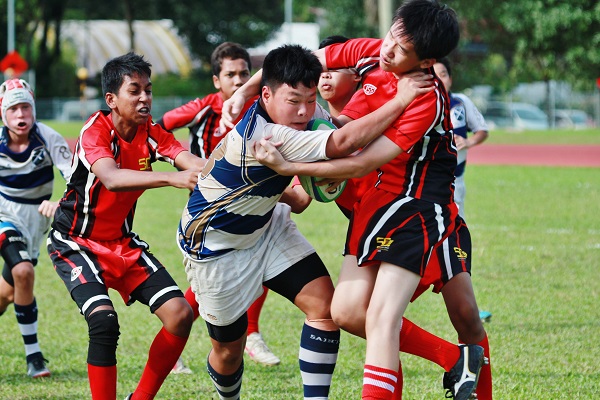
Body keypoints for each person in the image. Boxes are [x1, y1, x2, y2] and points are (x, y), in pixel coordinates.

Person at [251, 1, 487, 399]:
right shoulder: (373, 56)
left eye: (401, 47)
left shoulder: (425, 96)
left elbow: (360, 161)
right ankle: (454, 358)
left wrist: (290, 164)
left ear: (426, 61)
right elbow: (304, 63)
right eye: (391, 36)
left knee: (418, 317)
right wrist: (242, 93)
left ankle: (467, 367)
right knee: (347, 312)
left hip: (419, 206)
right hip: (377, 207)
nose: (388, 49)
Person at [178, 44, 433, 399]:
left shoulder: (285, 119)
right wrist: (403, 99)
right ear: (266, 95)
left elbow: (297, 201)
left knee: (324, 309)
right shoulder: (267, 135)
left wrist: (309, 183)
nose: (303, 112)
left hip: (267, 224)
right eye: (293, 100)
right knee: (228, 352)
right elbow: (344, 142)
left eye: (310, 100)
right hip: (217, 247)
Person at [47, 52, 204, 400]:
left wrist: (226, 168)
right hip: (75, 242)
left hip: (121, 242)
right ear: (111, 100)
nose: (145, 98)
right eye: (135, 91)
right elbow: (113, 178)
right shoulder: (95, 131)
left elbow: (187, 158)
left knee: (179, 315)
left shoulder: (150, 132)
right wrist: (173, 179)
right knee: (104, 321)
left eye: (148, 90)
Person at [157, 42, 280, 369]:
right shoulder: (203, 108)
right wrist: (181, 163)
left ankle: (252, 335)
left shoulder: (259, 106)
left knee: (264, 267)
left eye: (244, 73)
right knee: (203, 288)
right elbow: (157, 129)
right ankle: (177, 342)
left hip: (254, 206)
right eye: (230, 74)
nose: (238, 80)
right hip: (209, 218)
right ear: (216, 80)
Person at [0, 78, 72, 378]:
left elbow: (76, 180)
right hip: (4, 212)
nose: (21, 115)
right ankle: (35, 357)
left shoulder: (49, 137)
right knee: (23, 272)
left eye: (25, 107)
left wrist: (59, 202)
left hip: (37, 220)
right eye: (13, 108)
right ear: (3, 113)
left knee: (7, 293)